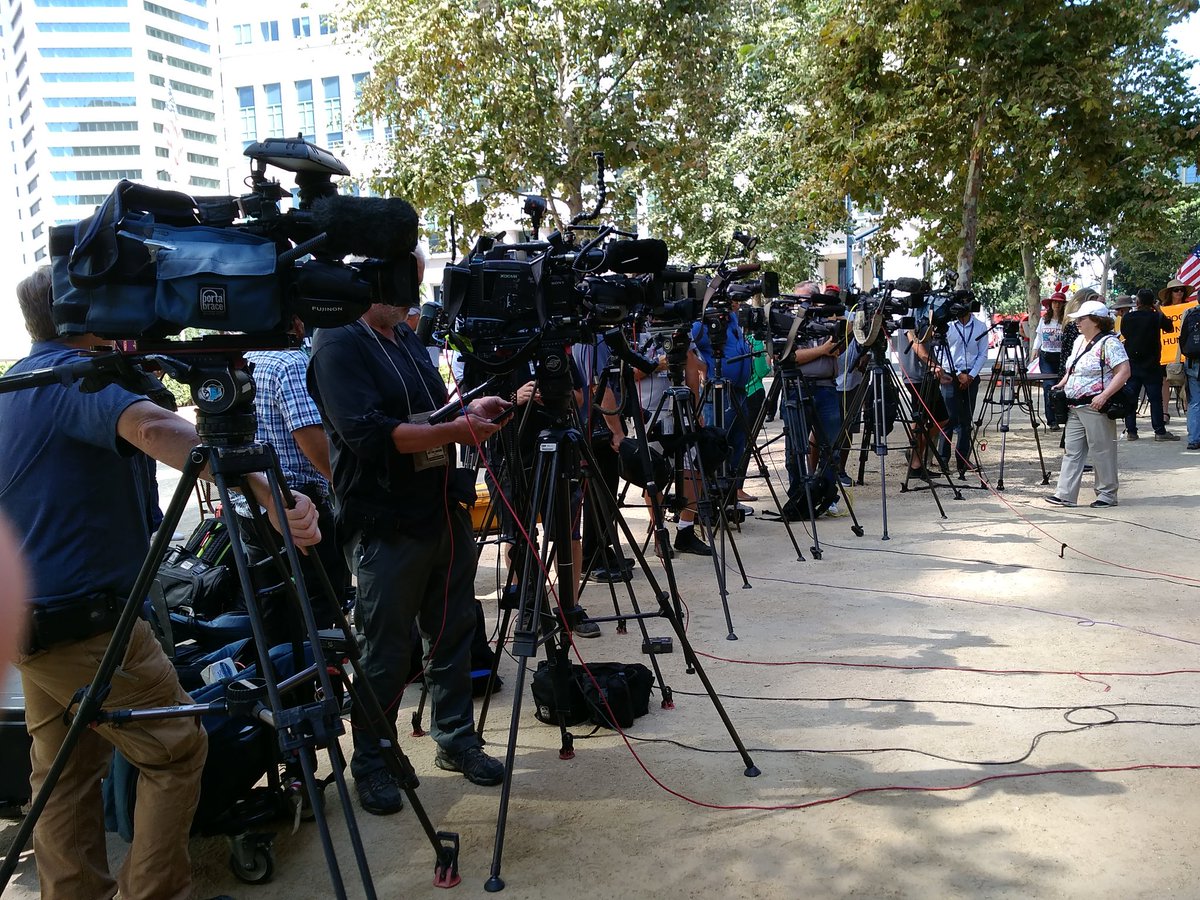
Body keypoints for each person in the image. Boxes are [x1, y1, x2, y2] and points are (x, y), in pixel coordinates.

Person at [0, 266, 320, 900]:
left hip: (32, 625)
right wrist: (265, 489)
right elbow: (155, 430)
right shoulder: (74, 377)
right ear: (85, 316)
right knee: (174, 751)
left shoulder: (18, 381)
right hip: (88, 624)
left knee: (63, 773)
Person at [307, 281, 512, 815]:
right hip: (384, 525)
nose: (408, 297)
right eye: (397, 282)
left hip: (440, 510)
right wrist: (456, 431)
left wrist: (465, 410)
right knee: (386, 651)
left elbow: (425, 417)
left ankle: (457, 740)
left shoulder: (404, 336)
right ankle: (373, 760)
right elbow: (369, 435)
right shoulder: (336, 342)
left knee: (452, 634)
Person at [235, 315, 351, 646]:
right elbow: (310, 437)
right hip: (296, 505)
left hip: (250, 502)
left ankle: (286, 686)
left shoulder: (248, 357)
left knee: (274, 608)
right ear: (296, 322)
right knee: (318, 607)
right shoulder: (289, 362)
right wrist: (345, 484)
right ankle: (315, 687)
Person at [1046, 300, 1131, 509]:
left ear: (1095, 320)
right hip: (1074, 406)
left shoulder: (1109, 343)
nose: (1077, 323)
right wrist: (1062, 384)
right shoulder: (1078, 342)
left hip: (1095, 406)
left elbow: (1124, 371)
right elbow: (1072, 368)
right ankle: (1065, 493)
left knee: (1102, 450)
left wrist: (1104, 395)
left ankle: (1107, 494)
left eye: (1081, 319)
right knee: (1072, 450)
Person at [1118, 288, 1177, 442]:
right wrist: (1159, 309)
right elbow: (1170, 327)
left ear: (1137, 302)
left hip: (1133, 364)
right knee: (1155, 399)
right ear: (1152, 303)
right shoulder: (1155, 317)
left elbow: (1124, 333)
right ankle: (1159, 431)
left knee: (1131, 397)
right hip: (1151, 365)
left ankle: (1131, 431)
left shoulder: (1127, 318)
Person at [938, 301, 988, 476]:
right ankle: (943, 460)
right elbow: (942, 352)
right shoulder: (949, 326)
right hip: (951, 374)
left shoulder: (981, 326)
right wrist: (957, 373)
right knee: (948, 420)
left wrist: (971, 375)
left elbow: (983, 354)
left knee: (966, 421)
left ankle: (963, 460)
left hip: (971, 376)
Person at [895, 325, 948, 478]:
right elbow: (915, 342)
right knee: (938, 419)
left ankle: (916, 461)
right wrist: (933, 364)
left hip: (925, 375)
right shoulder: (911, 313)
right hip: (917, 376)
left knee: (921, 420)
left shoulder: (925, 312)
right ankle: (915, 454)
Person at [1030, 294, 1067, 430]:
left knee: (1062, 387)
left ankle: (1062, 416)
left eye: (1059, 303)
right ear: (1050, 304)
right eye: (1054, 302)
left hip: (1062, 357)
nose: (1057, 305)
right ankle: (1051, 420)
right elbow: (1039, 337)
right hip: (1046, 357)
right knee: (1049, 387)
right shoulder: (1044, 320)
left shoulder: (1066, 321)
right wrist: (1035, 349)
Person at [1178, 286, 1200, 452]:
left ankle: (1193, 439)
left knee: (1194, 402)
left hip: (1193, 363)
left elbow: (1182, 339)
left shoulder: (1190, 314)